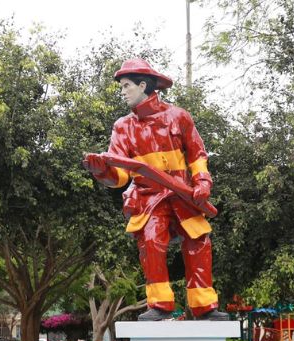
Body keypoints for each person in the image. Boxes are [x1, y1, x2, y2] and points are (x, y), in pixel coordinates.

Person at [83, 58, 227, 322]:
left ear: (142, 85)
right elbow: (121, 176)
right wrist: (101, 171)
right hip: (149, 199)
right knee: (150, 243)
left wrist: (203, 183)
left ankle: (204, 305)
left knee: (199, 243)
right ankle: (159, 304)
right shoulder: (122, 127)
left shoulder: (179, 116)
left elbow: (197, 155)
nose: (122, 91)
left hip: (183, 195)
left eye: (126, 85)